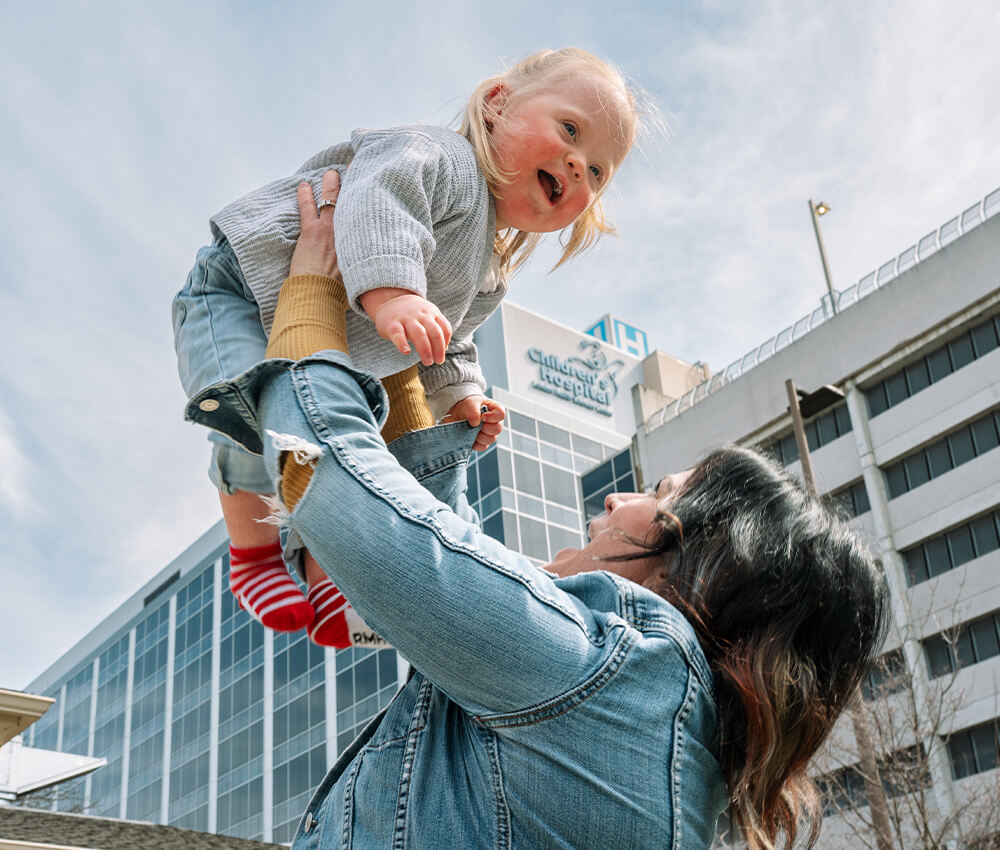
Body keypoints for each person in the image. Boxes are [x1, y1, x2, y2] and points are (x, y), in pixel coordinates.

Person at [186, 169, 891, 849]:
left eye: (661, 496)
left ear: (714, 567)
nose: (620, 497)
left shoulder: (607, 675)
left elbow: (335, 487)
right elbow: (445, 550)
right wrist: (413, 377)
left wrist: (310, 293)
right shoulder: (659, 732)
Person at [172, 47, 640, 648]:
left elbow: (452, 341)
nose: (579, 165)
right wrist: (392, 295)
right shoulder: (439, 157)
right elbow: (377, 205)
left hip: (330, 341)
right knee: (253, 417)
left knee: (324, 449)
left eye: (598, 172)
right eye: (570, 130)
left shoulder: (491, 268)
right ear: (497, 104)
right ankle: (254, 556)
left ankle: (327, 579)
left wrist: (462, 396)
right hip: (238, 288)